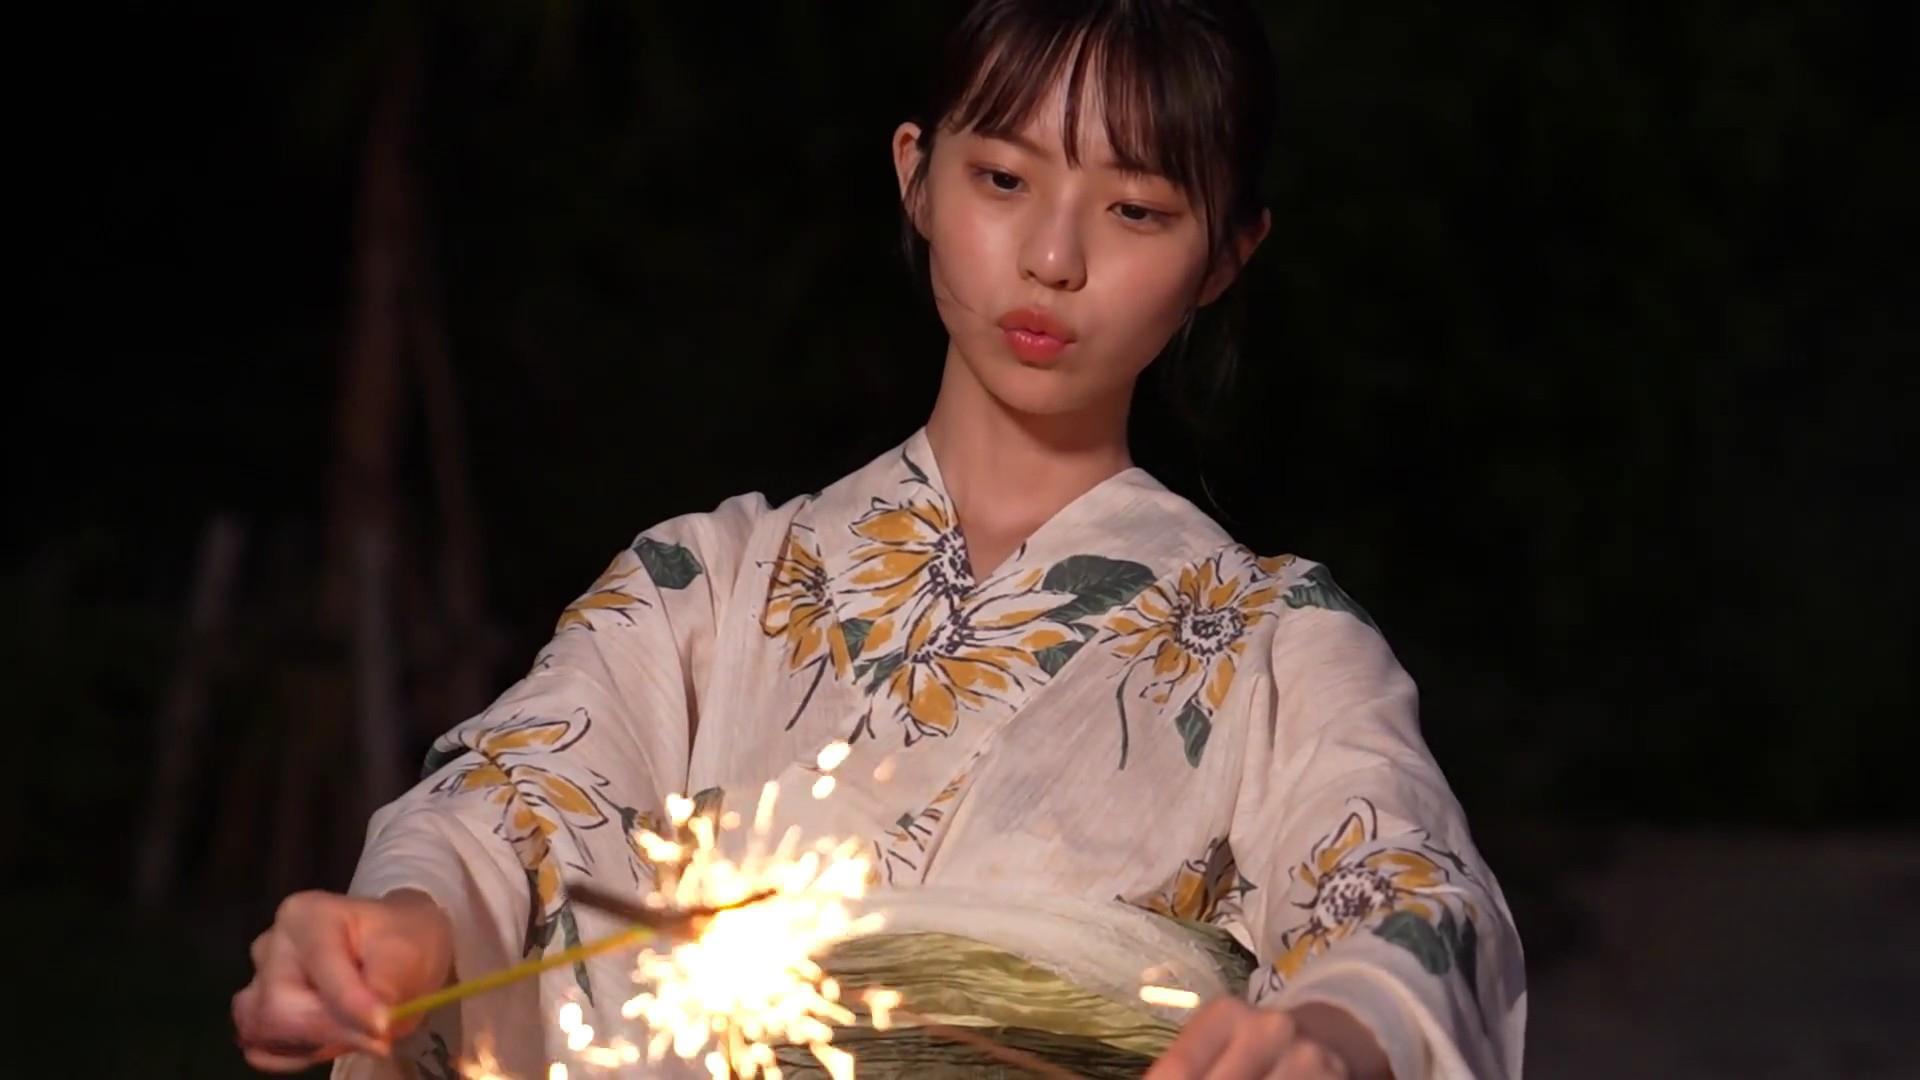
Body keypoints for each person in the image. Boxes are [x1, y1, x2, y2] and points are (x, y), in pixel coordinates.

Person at [233, 2, 1526, 1077]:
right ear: (916, 172)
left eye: (1136, 210)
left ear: (1229, 254)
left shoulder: (1276, 645)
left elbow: (1407, 896)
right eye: (1003, 179)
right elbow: (510, 801)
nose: (1053, 257)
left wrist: (1332, 1035)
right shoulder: (705, 589)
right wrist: (398, 932)